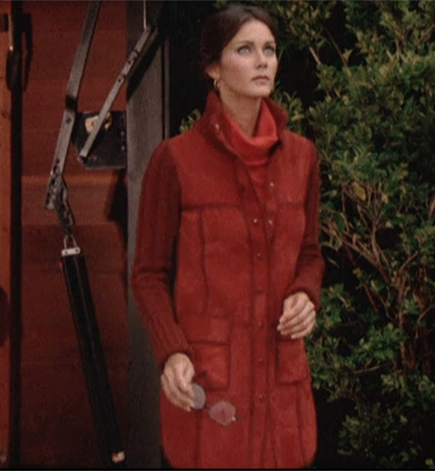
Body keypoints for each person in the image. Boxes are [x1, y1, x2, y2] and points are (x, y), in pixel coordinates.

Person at [131, 3, 324, 468]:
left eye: (270, 50)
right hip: (212, 386)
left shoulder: (302, 158)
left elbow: (311, 254)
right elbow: (149, 275)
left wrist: (306, 293)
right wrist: (171, 352)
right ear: (213, 68)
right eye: (245, 50)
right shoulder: (175, 161)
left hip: (282, 385)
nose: (262, 62)